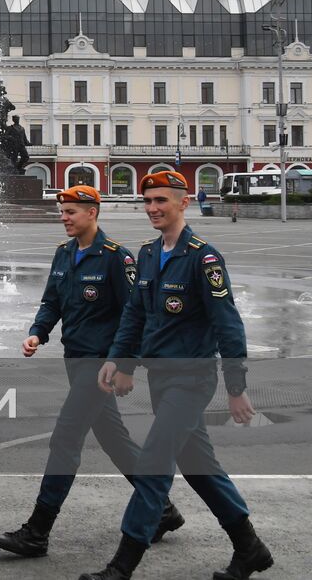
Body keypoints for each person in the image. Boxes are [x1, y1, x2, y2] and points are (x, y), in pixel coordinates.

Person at [84, 171, 272, 580]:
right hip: (161, 379)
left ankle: (122, 564)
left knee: (153, 464)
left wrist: (236, 387)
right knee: (199, 465)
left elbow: (228, 324)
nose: (153, 209)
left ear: (183, 203)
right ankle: (250, 547)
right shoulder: (149, 253)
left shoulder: (204, 257)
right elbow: (136, 315)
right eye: (148, 202)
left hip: (192, 379)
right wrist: (121, 362)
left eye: (161, 201)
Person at [0, 185, 183, 560]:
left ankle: (38, 530)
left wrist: (125, 365)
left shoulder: (115, 258)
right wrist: (37, 333)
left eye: (71, 212)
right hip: (74, 359)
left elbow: (135, 315)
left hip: (101, 365)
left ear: (92, 213)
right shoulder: (63, 254)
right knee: (112, 438)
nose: (63, 218)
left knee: (65, 438)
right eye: (62, 212)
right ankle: (161, 509)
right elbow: (52, 301)